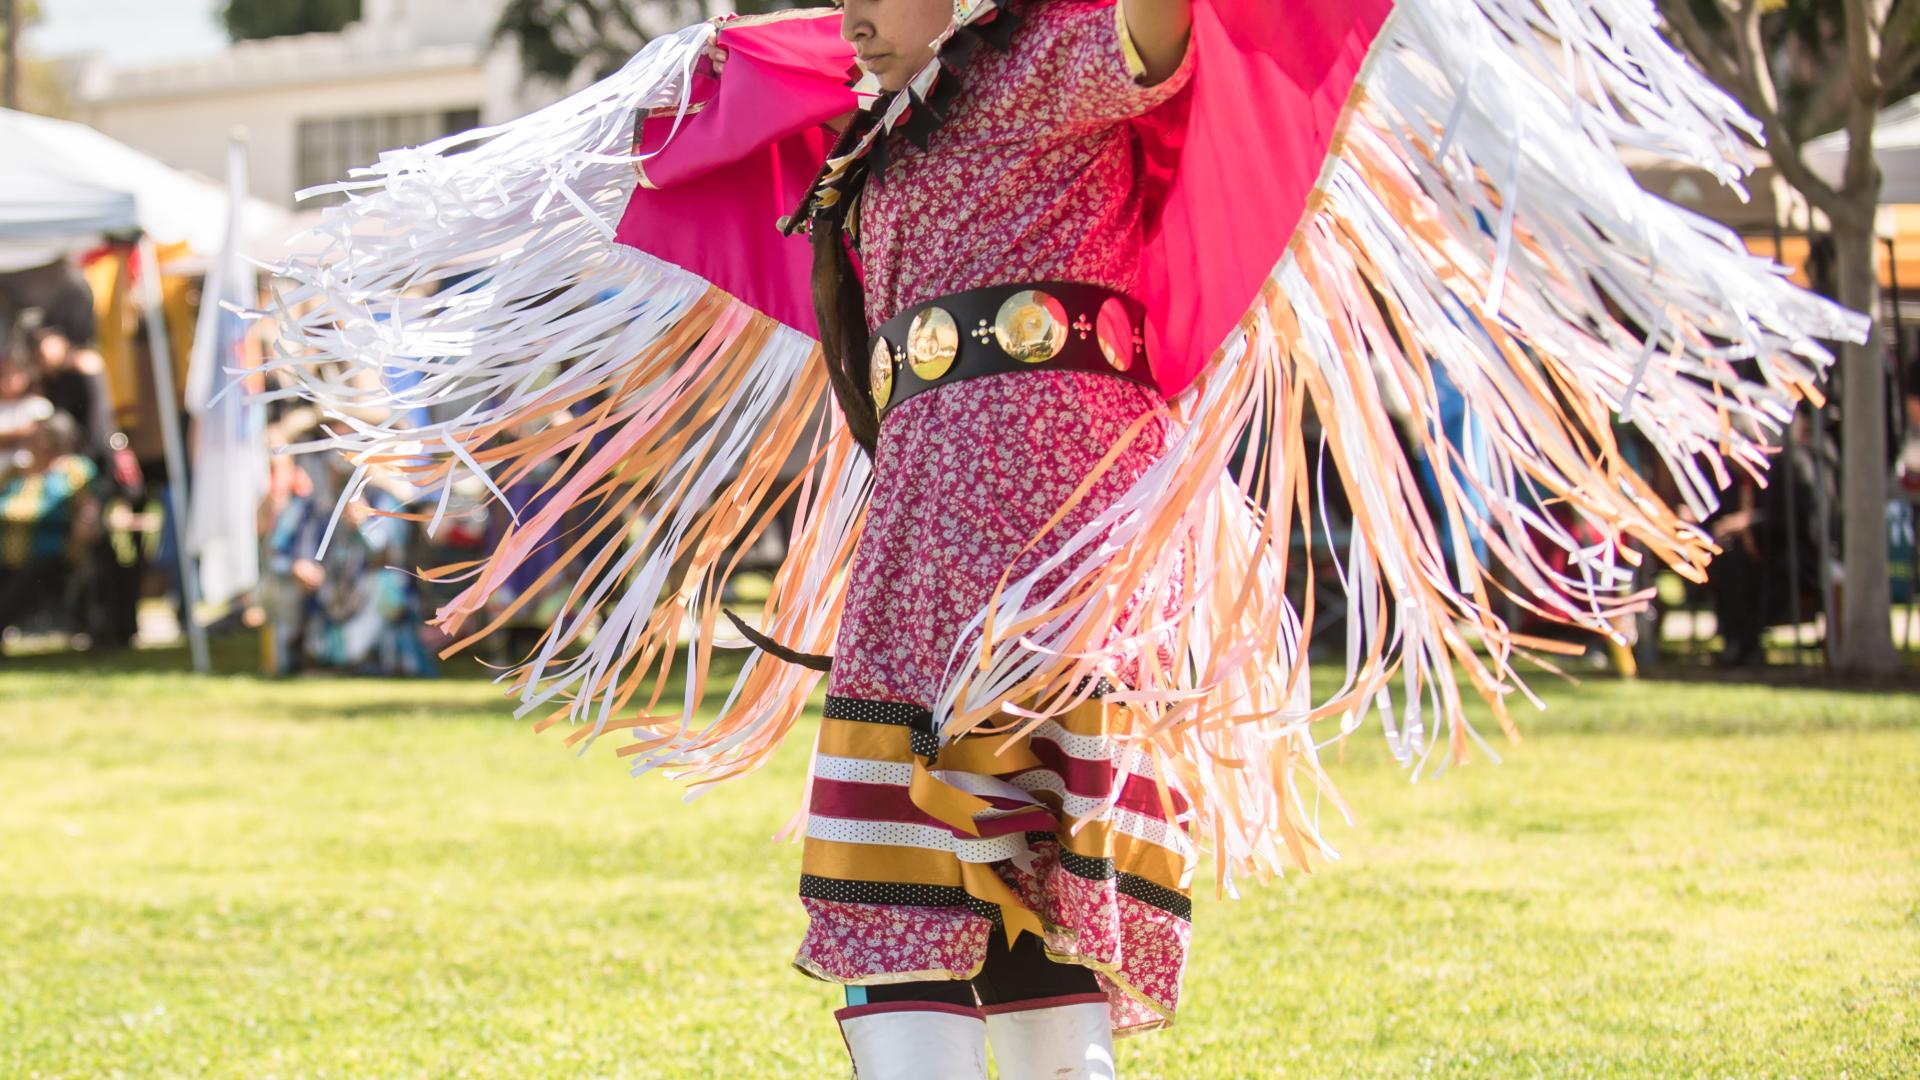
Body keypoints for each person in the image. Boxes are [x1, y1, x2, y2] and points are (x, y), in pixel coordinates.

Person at [261, 0, 1864, 1075]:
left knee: (1041, 918)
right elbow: (706, 151)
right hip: (923, 527)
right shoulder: (871, 134)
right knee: (909, 913)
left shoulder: (1058, 56)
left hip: (1056, 517)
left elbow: (1168, 29)